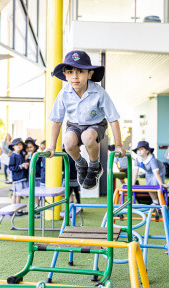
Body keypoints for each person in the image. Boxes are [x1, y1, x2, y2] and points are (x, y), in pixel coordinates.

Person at [45, 50, 125, 190]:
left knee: (87, 137)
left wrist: (118, 145)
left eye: (80, 71)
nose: (75, 77)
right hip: (74, 126)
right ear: (65, 74)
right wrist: (52, 145)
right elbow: (56, 121)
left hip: (96, 125)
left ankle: (94, 166)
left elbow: (113, 119)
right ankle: (80, 163)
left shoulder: (98, 92)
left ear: (90, 74)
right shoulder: (64, 94)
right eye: (70, 72)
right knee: (68, 142)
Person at [9, 138, 29, 215]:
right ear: (13, 146)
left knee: (16, 193)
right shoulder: (13, 156)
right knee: (18, 194)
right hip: (17, 178)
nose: (19, 146)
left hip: (20, 177)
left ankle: (15, 209)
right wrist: (21, 166)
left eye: (20, 145)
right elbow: (11, 167)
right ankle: (17, 209)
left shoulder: (20, 155)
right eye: (17, 145)